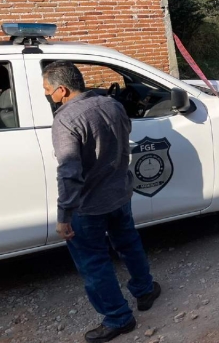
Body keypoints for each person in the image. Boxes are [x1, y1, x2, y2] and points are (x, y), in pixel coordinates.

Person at [42, 61, 161, 343]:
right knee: (129, 243)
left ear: (62, 90)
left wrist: (64, 215)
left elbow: (69, 172)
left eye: (48, 90)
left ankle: (119, 318)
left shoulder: (66, 120)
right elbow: (125, 135)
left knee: (94, 263)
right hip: (119, 194)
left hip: (88, 207)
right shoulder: (112, 105)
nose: (47, 95)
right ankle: (145, 290)